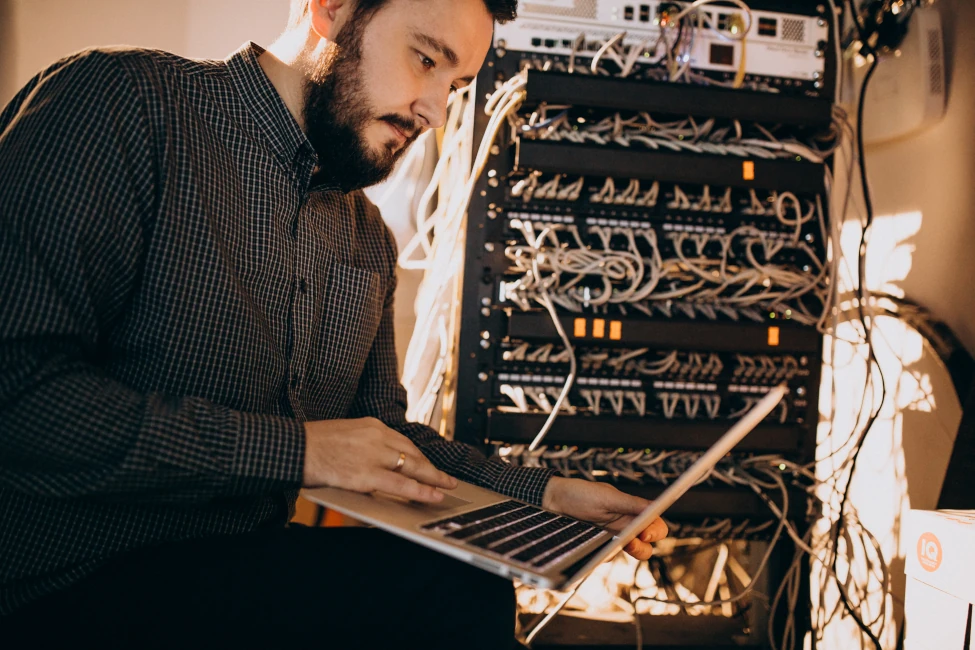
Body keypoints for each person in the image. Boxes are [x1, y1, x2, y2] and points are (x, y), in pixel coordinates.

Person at [0, 0, 668, 647]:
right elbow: (17, 392)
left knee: (463, 583)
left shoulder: (367, 238)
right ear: (331, 8)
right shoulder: (121, 102)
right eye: (425, 59)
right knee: (447, 597)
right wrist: (299, 451)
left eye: (455, 84)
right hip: (57, 583)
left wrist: (545, 495)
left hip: (234, 568)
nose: (435, 112)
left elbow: (383, 438)